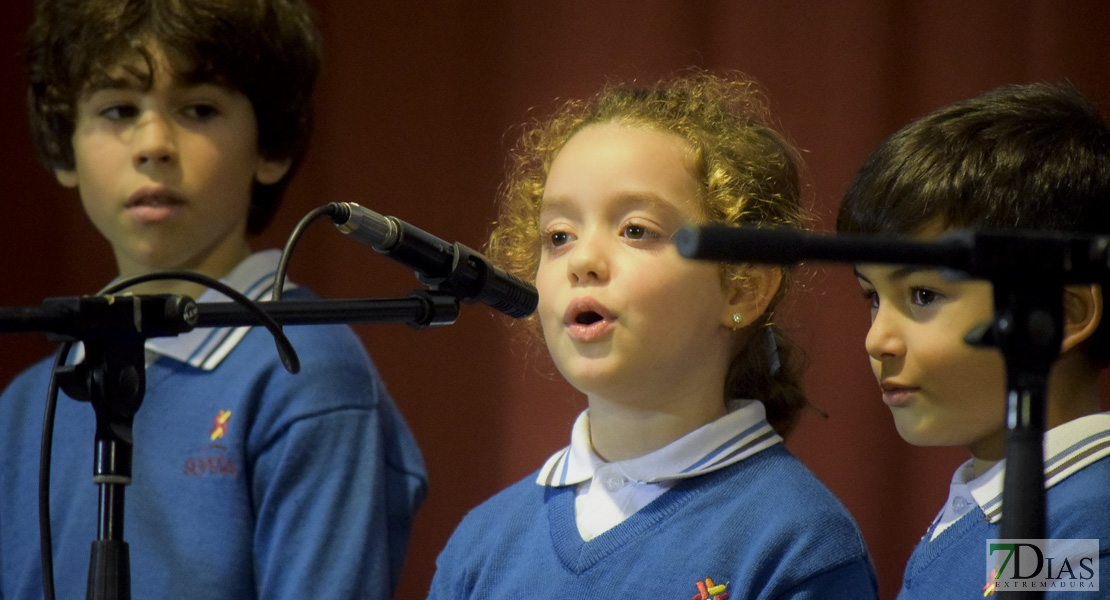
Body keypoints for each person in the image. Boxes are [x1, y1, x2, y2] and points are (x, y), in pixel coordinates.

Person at [0, 1, 427, 599]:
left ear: (269, 146)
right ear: (63, 144)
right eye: (118, 109)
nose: (153, 144)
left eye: (198, 109)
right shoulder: (23, 409)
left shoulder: (304, 371)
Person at [429, 71, 878, 599]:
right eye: (559, 236)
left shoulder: (798, 546)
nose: (584, 261)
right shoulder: (482, 545)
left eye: (635, 230)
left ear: (741, 290)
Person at [837, 82, 1110, 598]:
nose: (878, 340)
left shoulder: (1081, 536)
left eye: (922, 294)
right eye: (872, 297)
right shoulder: (1002, 509)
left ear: (1060, 314)